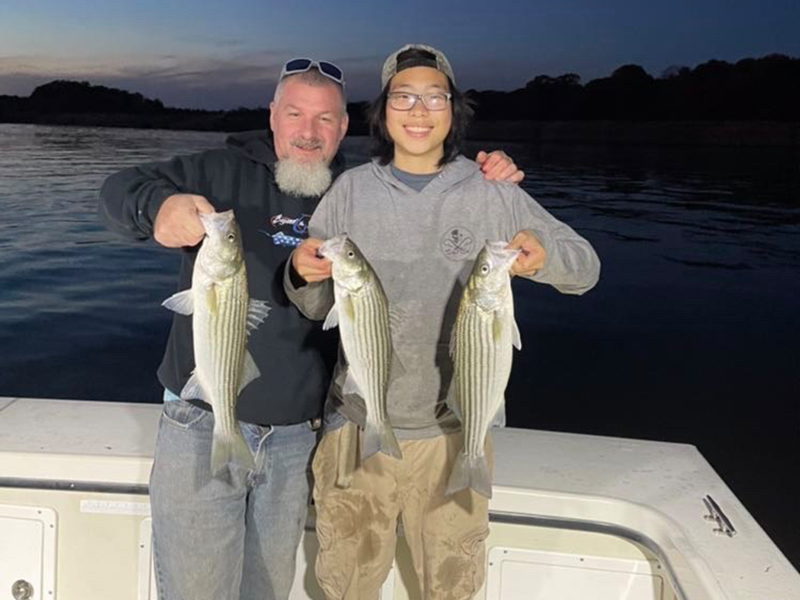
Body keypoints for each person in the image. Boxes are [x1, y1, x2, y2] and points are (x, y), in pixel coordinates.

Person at [98, 57, 524, 600]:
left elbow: (435, 202)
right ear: (272, 116)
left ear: (344, 127)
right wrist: (158, 205)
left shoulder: (359, 189)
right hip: (200, 418)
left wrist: (492, 179)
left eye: (325, 119)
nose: (308, 132)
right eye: (295, 113)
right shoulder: (218, 171)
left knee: (268, 590)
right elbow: (117, 189)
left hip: (301, 433)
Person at [287, 44, 601, 600]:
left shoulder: (495, 192)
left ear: (453, 110)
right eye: (404, 96)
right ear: (384, 111)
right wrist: (302, 273)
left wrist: (544, 256)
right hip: (356, 429)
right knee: (346, 587)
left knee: (451, 589)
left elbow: (586, 270)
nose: (419, 109)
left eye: (435, 97)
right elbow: (316, 310)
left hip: (456, 435)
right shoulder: (348, 193)